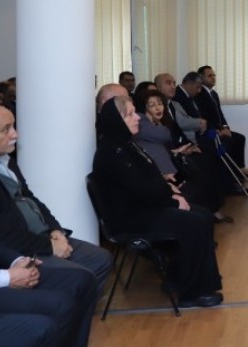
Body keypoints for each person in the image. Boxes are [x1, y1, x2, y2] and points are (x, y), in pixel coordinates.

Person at [0, 104, 112, 345]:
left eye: (13, 126)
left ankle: (73, 324)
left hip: (42, 236)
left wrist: (56, 231)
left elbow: (30, 198)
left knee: (99, 259)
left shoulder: (5, 158)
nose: (15, 134)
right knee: (79, 278)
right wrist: (48, 247)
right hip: (18, 249)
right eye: (6, 129)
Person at [92, 95, 223, 308]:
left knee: (204, 215)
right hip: (130, 218)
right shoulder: (113, 151)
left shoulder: (125, 144)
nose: (137, 117)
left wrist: (171, 194)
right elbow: (140, 190)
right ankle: (191, 293)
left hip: (142, 208)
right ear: (117, 120)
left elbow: (149, 180)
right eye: (130, 114)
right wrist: (173, 202)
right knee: (195, 222)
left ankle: (181, 277)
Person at [133, 91, 231, 224]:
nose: (158, 108)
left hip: (168, 163)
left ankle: (211, 212)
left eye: (160, 104)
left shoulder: (156, 123)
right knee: (200, 172)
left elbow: (160, 146)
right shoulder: (141, 120)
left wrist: (178, 151)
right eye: (152, 105)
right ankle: (207, 214)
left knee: (205, 165)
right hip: (160, 172)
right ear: (144, 107)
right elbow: (163, 136)